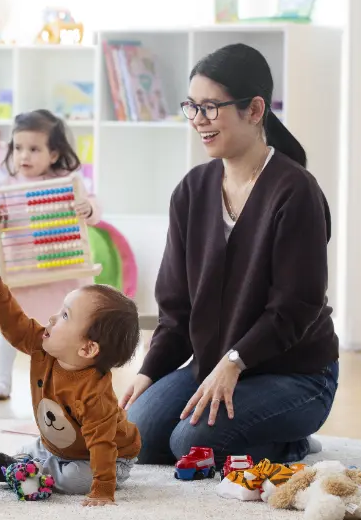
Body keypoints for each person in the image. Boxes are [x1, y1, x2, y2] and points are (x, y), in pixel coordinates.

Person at [121, 43, 339, 468]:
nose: (199, 121)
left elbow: (295, 307)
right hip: (215, 365)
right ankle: (253, 430)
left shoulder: (295, 191)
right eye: (192, 107)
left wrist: (235, 361)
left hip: (296, 374)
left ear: (255, 110)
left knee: (191, 444)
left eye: (211, 108)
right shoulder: (192, 191)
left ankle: (291, 443)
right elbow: (176, 309)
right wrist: (148, 373)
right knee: (138, 436)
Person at [0, 256, 142, 506]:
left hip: (109, 457)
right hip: (56, 447)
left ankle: (26, 470)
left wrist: (103, 489)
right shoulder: (42, 347)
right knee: (32, 448)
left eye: (65, 315)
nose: (52, 318)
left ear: (87, 349)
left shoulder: (94, 395)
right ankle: (28, 466)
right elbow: (14, 324)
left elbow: (102, 444)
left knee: (75, 479)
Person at [0, 109, 102, 401]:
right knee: (10, 327)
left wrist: (88, 209)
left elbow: (94, 209)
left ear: (53, 153)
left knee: (68, 330)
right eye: (18, 147)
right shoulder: (5, 185)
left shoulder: (68, 180)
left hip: (61, 271)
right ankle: (2, 377)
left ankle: (72, 380)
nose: (24, 155)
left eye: (34, 149)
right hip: (23, 272)